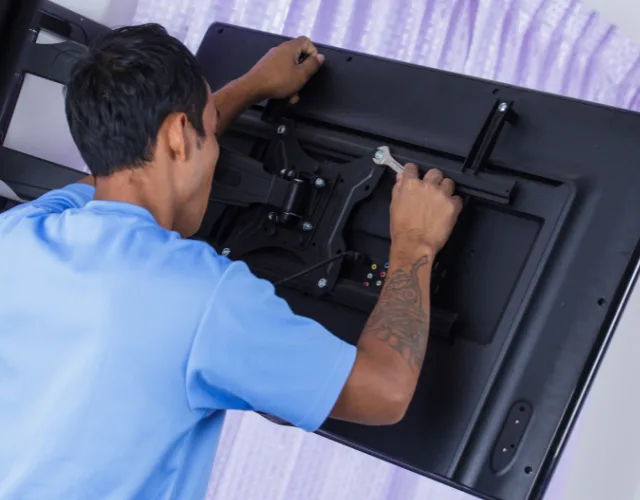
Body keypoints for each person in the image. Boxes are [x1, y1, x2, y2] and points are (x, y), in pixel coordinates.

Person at [0, 24, 462, 499]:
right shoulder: (201, 297)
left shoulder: (17, 234)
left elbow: (111, 177)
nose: (215, 145)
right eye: (209, 128)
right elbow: (384, 392)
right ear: (180, 134)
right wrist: (414, 243)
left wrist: (255, 85)